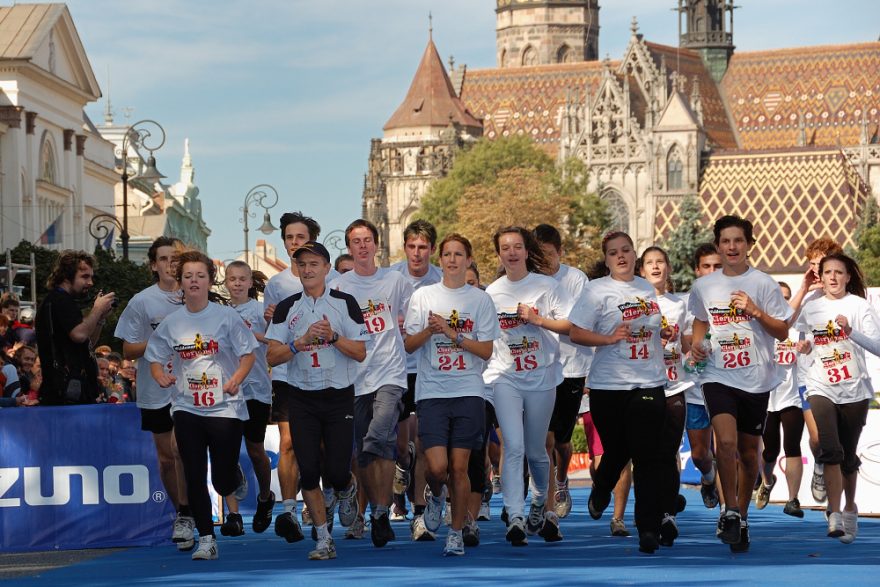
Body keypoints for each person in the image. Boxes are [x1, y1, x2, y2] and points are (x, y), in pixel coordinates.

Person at [146, 250, 258, 561]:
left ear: (210, 281)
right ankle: (206, 538)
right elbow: (154, 358)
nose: (194, 281)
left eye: (200, 275)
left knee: (221, 482)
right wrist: (160, 376)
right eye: (188, 276)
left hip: (225, 406)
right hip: (187, 407)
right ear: (180, 283)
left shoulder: (226, 317)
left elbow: (249, 353)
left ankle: (232, 475)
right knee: (193, 473)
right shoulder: (171, 323)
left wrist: (236, 377)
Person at [688, 215, 792, 553]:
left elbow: (782, 331)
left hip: (755, 378)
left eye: (738, 241)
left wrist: (756, 312)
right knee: (727, 444)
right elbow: (701, 320)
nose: (732, 247)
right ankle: (729, 510)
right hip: (717, 374)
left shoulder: (763, 283)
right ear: (718, 245)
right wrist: (698, 344)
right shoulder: (705, 286)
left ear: (749, 244)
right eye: (726, 241)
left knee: (750, 455)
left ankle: (742, 517)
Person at [569, 231, 670, 554]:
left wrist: (661, 331)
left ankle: (648, 529)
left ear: (634, 254)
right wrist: (609, 339)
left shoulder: (645, 287)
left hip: (649, 380)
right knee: (617, 451)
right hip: (608, 384)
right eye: (614, 253)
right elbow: (575, 333)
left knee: (647, 455)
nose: (621, 257)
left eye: (626, 250)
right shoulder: (596, 290)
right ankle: (601, 488)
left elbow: (650, 325)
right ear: (607, 258)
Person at [265, 241, 366, 560]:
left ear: (326, 269)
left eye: (314, 264)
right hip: (302, 398)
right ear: (296, 270)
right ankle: (324, 539)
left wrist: (333, 338)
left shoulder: (345, 302)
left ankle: (347, 489)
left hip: (338, 396)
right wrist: (301, 341)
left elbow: (361, 352)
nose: (308, 270)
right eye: (302, 265)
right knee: (308, 471)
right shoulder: (286, 307)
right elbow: (272, 355)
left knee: (336, 472)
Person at [404, 234, 500, 556]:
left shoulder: (480, 300)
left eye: (459, 254)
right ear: (440, 259)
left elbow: (486, 350)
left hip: (468, 391)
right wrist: (430, 331)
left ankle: (456, 533)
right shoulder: (424, 296)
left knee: (460, 467)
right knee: (437, 468)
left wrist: (452, 333)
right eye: (447, 254)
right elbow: (408, 345)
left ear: (469, 259)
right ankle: (434, 495)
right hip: (431, 392)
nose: (452, 259)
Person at [483, 226, 572, 546]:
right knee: (514, 447)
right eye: (505, 247)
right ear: (499, 254)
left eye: (517, 246)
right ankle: (515, 516)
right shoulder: (491, 293)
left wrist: (537, 320)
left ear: (526, 250)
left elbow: (569, 327)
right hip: (505, 376)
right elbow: (485, 338)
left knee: (537, 451)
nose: (511, 252)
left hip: (542, 377)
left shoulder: (547, 286)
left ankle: (538, 503)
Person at [330, 219, 413, 547]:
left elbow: (411, 314)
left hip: (390, 373)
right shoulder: (340, 286)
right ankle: (379, 511)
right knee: (365, 449)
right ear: (349, 248)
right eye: (356, 242)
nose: (362, 246)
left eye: (367, 240)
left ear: (376, 245)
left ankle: (381, 510)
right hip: (356, 377)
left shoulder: (394, 281)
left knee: (380, 437)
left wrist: (407, 323)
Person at [263, 211, 340, 542]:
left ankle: (325, 502)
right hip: (287, 372)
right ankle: (290, 511)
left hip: (325, 373)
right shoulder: (276, 285)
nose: (295, 244)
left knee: (323, 447)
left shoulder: (332, 280)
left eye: (300, 238)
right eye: (289, 239)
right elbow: (271, 335)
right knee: (289, 442)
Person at [794, 253, 880, 544]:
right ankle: (833, 513)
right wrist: (803, 347)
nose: (832, 277)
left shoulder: (859, 306)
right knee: (830, 448)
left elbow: (879, 347)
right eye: (827, 272)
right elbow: (800, 338)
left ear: (847, 277)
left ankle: (850, 507)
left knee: (847, 454)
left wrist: (850, 332)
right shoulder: (812, 306)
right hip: (820, 385)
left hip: (854, 390)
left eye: (838, 272)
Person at [114, 237, 193, 549]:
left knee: (184, 450)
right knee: (166, 458)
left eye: (175, 258)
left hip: (192, 387)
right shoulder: (142, 302)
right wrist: (160, 339)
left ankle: (191, 510)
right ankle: (181, 514)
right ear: (153, 265)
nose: (169, 264)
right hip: (154, 388)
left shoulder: (195, 295)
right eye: (163, 259)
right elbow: (128, 349)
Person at [533, 224, 592, 521]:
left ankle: (561, 478)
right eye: (538, 256)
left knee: (562, 441)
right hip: (539, 369)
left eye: (549, 256)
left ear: (561, 253)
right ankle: (545, 501)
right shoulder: (528, 280)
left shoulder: (576, 280)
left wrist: (541, 321)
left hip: (572, 367)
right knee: (545, 438)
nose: (544, 262)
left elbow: (577, 325)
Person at [219, 261, 277, 537]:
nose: (238, 284)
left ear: (250, 283)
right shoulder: (218, 312)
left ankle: (265, 496)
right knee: (225, 451)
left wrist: (254, 335)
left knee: (255, 449)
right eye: (233, 279)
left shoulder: (259, 310)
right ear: (226, 283)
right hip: (228, 389)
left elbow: (275, 340)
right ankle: (232, 515)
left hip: (256, 387)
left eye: (243, 279)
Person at [391, 220, 443, 529]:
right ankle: (402, 464)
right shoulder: (392, 278)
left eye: (423, 247)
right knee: (401, 446)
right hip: (397, 369)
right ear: (405, 248)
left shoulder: (440, 280)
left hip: (429, 369)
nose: (417, 253)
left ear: (431, 250)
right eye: (412, 247)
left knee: (425, 441)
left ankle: (421, 511)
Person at [639, 246, 692, 547]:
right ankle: (650, 514)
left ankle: (668, 513)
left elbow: (686, 342)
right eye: (649, 263)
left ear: (668, 268)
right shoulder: (634, 303)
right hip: (644, 386)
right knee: (649, 455)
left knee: (669, 452)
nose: (656, 267)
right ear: (642, 270)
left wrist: (693, 347)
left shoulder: (678, 304)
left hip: (674, 385)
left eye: (660, 262)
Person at [787, 237, 844, 505]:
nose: (815, 270)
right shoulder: (807, 297)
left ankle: (838, 505)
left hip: (840, 375)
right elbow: (784, 317)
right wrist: (803, 287)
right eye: (811, 264)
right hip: (809, 376)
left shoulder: (850, 296)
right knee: (818, 437)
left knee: (838, 441)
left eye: (819, 264)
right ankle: (819, 466)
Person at [36, 251, 116, 405]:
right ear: (66, 276)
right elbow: (79, 334)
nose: (91, 282)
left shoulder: (66, 301)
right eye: (85, 276)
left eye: (91, 277)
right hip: (64, 393)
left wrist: (100, 318)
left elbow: (87, 340)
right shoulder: (59, 300)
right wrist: (97, 309)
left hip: (74, 391)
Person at [755, 282, 806, 518]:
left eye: (788, 298)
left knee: (792, 445)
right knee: (770, 451)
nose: (784, 303)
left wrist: (805, 349)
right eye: (780, 298)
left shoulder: (797, 329)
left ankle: (793, 499)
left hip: (791, 396)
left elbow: (810, 349)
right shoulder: (761, 327)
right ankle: (767, 482)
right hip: (767, 399)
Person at [680, 243, 723, 510]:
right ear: (697, 270)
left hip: (728, 383)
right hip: (695, 386)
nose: (712, 271)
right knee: (699, 454)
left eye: (717, 266)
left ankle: (730, 513)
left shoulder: (735, 299)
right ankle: (708, 478)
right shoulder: (684, 303)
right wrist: (692, 344)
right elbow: (680, 339)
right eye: (706, 266)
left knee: (728, 448)